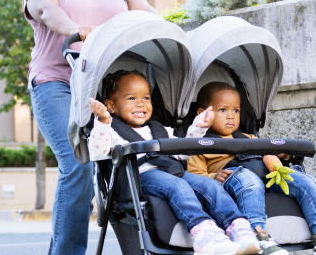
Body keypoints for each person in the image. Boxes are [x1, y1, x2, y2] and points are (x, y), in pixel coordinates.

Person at [22, 0, 160, 254]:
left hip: (106, 89)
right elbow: (43, 8)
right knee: (78, 163)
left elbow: (147, 16)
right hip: (57, 82)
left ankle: (142, 246)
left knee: (131, 163)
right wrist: (77, 30)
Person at [87, 70, 261, 255]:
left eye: (146, 98)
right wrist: (102, 122)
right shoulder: (110, 132)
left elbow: (183, 152)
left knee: (209, 185)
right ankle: (204, 235)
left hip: (172, 172)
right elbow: (97, 151)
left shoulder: (161, 129)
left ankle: (239, 229)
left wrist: (198, 127)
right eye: (131, 98)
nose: (141, 103)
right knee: (177, 186)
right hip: (139, 178)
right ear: (111, 106)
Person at [187, 82, 316, 255]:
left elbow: (268, 151)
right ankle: (259, 237)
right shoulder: (199, 144)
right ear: (202, 113)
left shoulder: (248, 137)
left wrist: (280, 154)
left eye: (236, 111)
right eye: (223, 110)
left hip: (268, 175)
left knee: (307, 182)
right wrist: (214, 177)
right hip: (235, 178)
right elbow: (194, 176)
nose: (231, 116)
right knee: (249, 181)